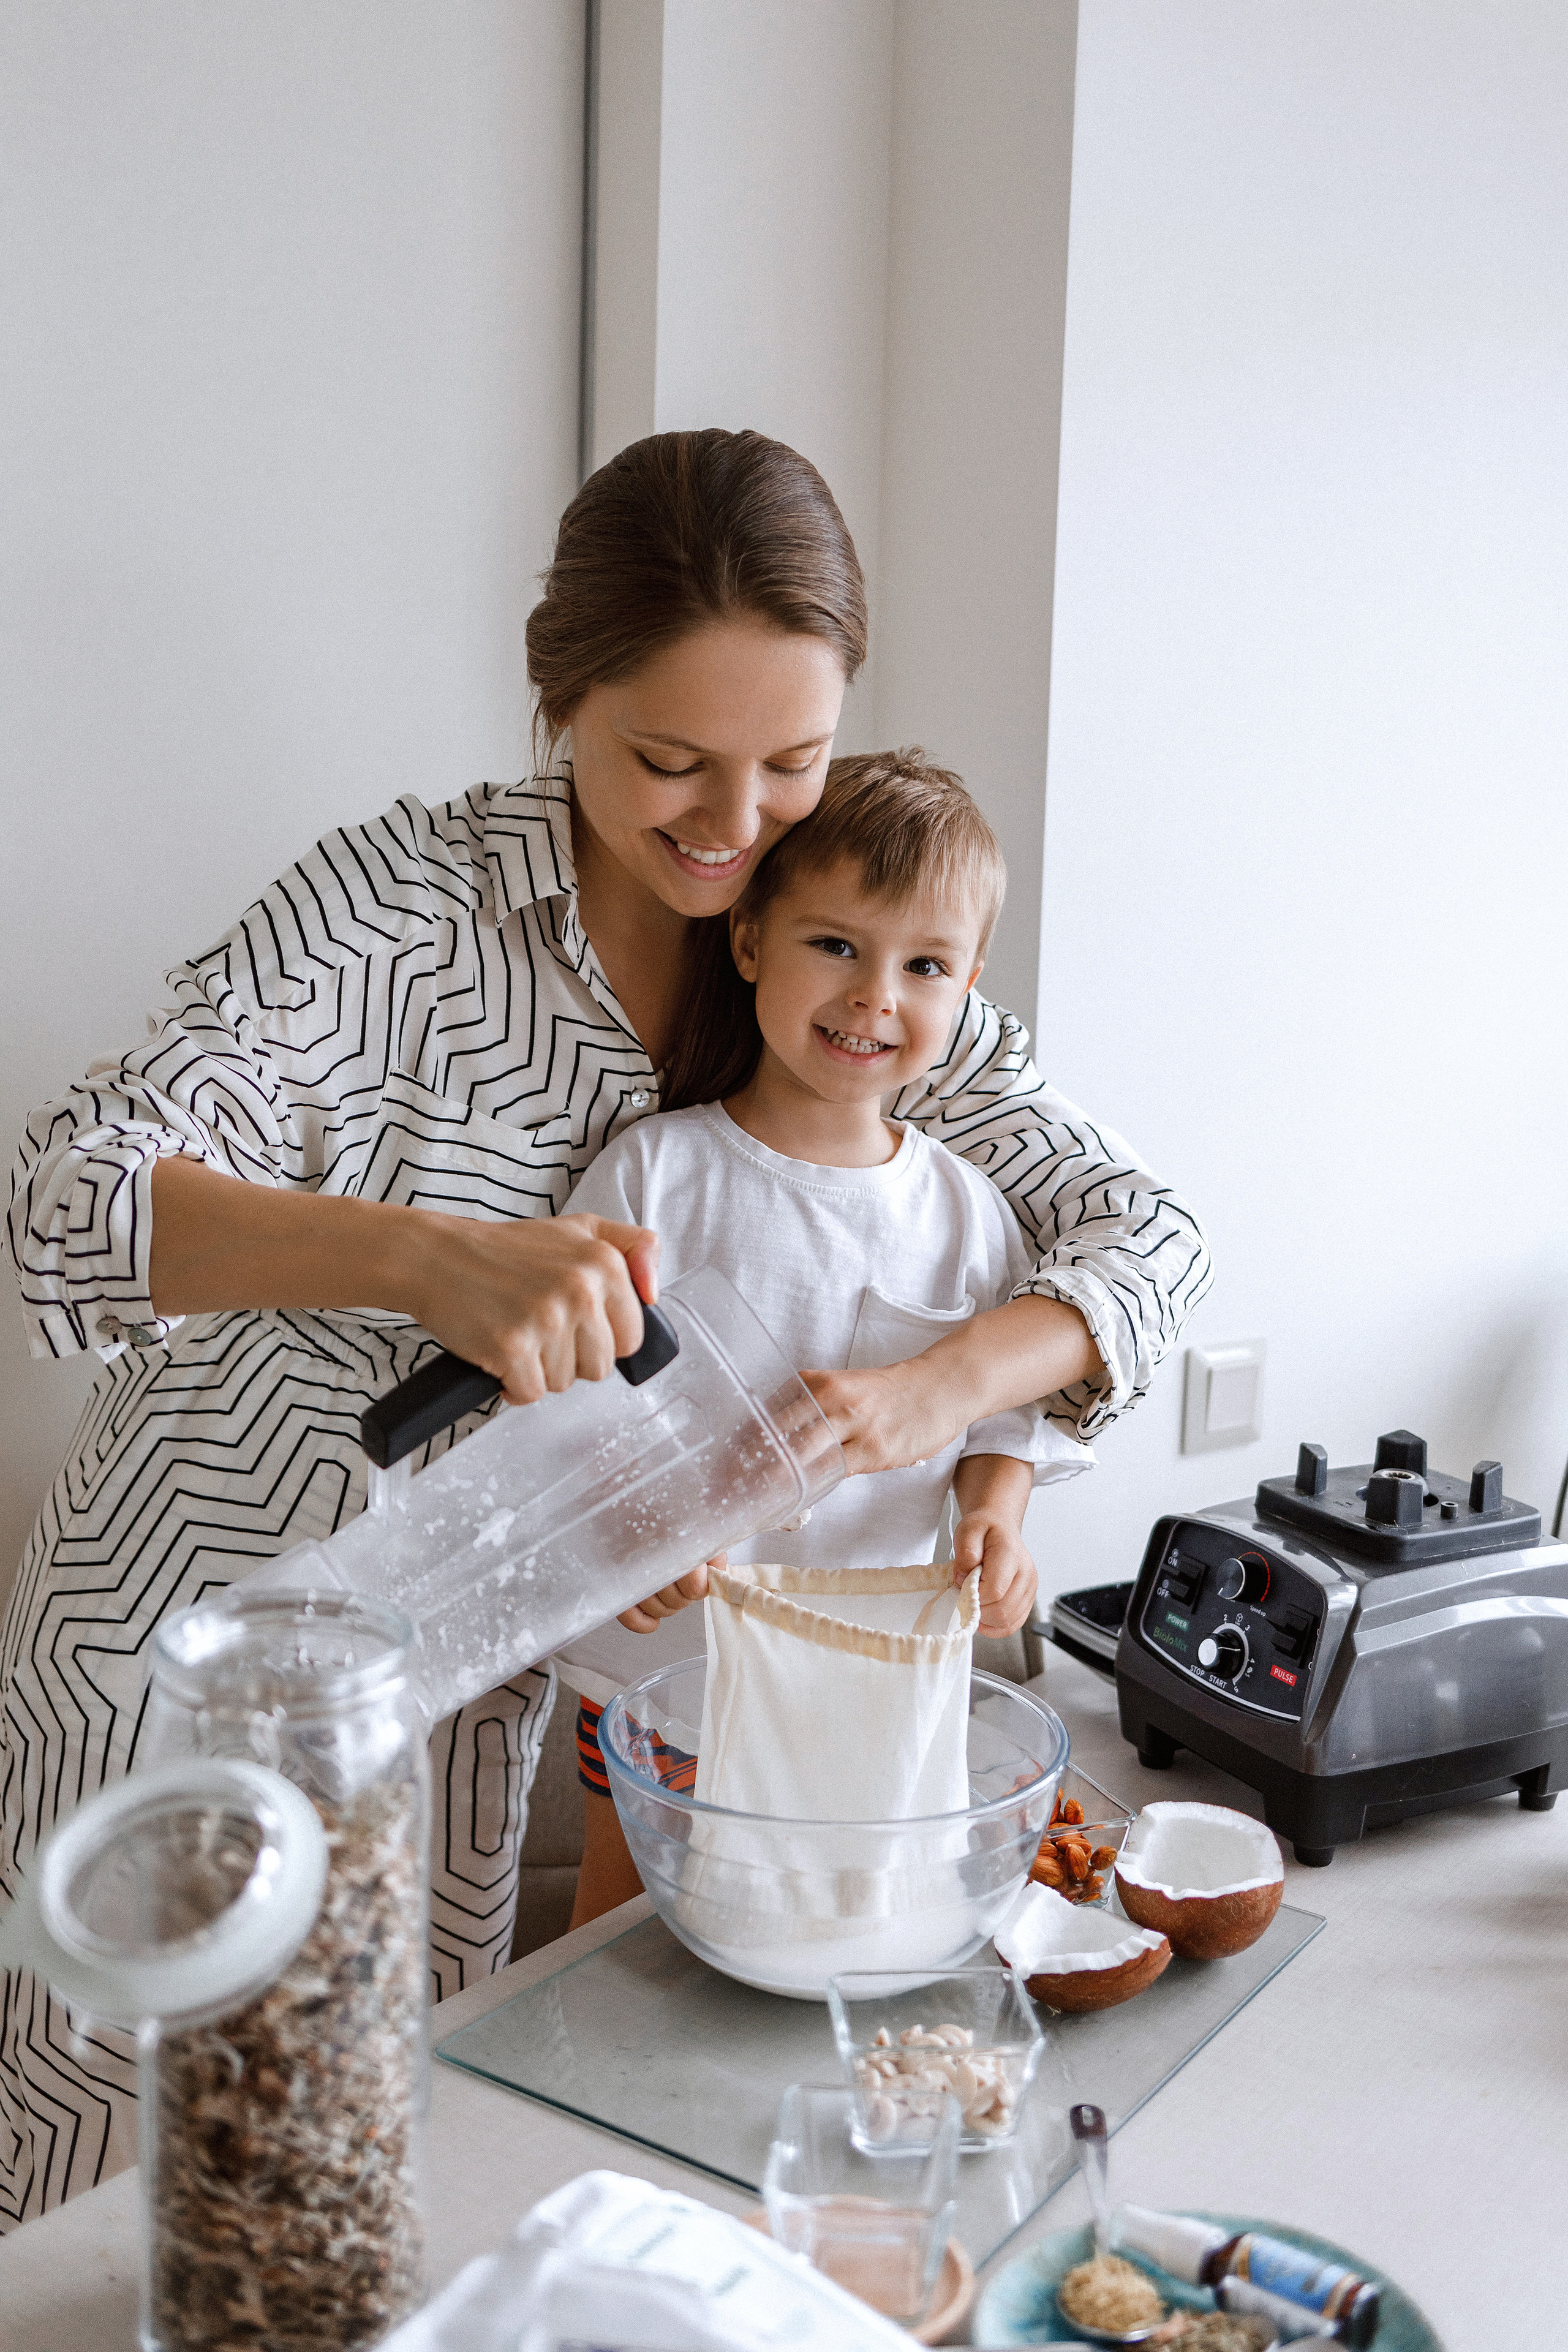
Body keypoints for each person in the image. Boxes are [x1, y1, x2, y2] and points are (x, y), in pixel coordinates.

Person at [2, 428, 1211, 2228]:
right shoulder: (394, 909)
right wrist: (431, 1261)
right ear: (560, 699)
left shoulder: (848, 948)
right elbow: (65, 1199)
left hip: (478, 1734)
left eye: (791, 765)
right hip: (210, 1668)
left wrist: (943, 1402)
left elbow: (1152, 1237)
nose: (734, 827)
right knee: (131, 2235)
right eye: (670, 762)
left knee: (371, 2233)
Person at [555, 749, 1096, 1922]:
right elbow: (579, 1402)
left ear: (967, 988)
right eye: (836, 945)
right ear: (751, 940)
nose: (874, 998)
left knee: (850, 1918)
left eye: (924, 966)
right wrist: (636, 1535)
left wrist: (997, 1522)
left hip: (873, 1677)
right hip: (666, 1670)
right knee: (621, 1921)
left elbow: (998, 1415)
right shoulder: (659, 1170)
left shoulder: (968, 1217)